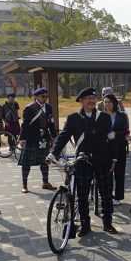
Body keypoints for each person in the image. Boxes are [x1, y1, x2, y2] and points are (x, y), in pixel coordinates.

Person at [48, 87, 118, 235]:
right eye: (87, 98)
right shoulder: (73, 118)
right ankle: (85, 225)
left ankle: (107, 223)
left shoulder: (104, 117)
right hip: (82, 160)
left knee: (106, 193)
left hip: (102, 159)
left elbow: (111, 139)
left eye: (93, 98)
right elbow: (63, 137)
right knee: (82, 195)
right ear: (80, 100)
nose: (91, 101)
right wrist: (53, 153)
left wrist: (114, 158)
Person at [17, 88, 57, 193]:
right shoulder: (30, 108)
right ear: (37, 96)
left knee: (45, 161)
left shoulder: (48, 107)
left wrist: (54, 136)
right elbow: (25, 124)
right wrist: (22, 138)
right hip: (31, 138)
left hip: (44, 137)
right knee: (27, 163)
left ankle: (45, 182)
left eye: (46, 96)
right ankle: (24, 185)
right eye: (43, 96)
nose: (45, 98)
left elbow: (51, 122)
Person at [102, 94, 130, 205]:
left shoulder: (122, 115)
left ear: (114, 103)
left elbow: (125, 131)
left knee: (119, 172)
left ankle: (118, 196)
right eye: (105, 102)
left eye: (109, 102)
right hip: (105, 148)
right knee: (106, 172)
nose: (107, 104)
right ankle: (107, 195)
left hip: (119, 146)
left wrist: (114, 134)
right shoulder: (101, 116)